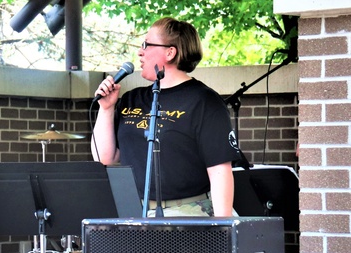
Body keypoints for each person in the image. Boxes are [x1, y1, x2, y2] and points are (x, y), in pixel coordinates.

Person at [92, 17, 240, 217]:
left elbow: (220, 171)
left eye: (146, 44)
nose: (139, 51)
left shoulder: (204, 101)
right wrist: (107, 109)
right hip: (133, 212)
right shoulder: (132, 99)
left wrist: (223, 226)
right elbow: (105, 158)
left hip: (188, 212)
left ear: (170, 52)